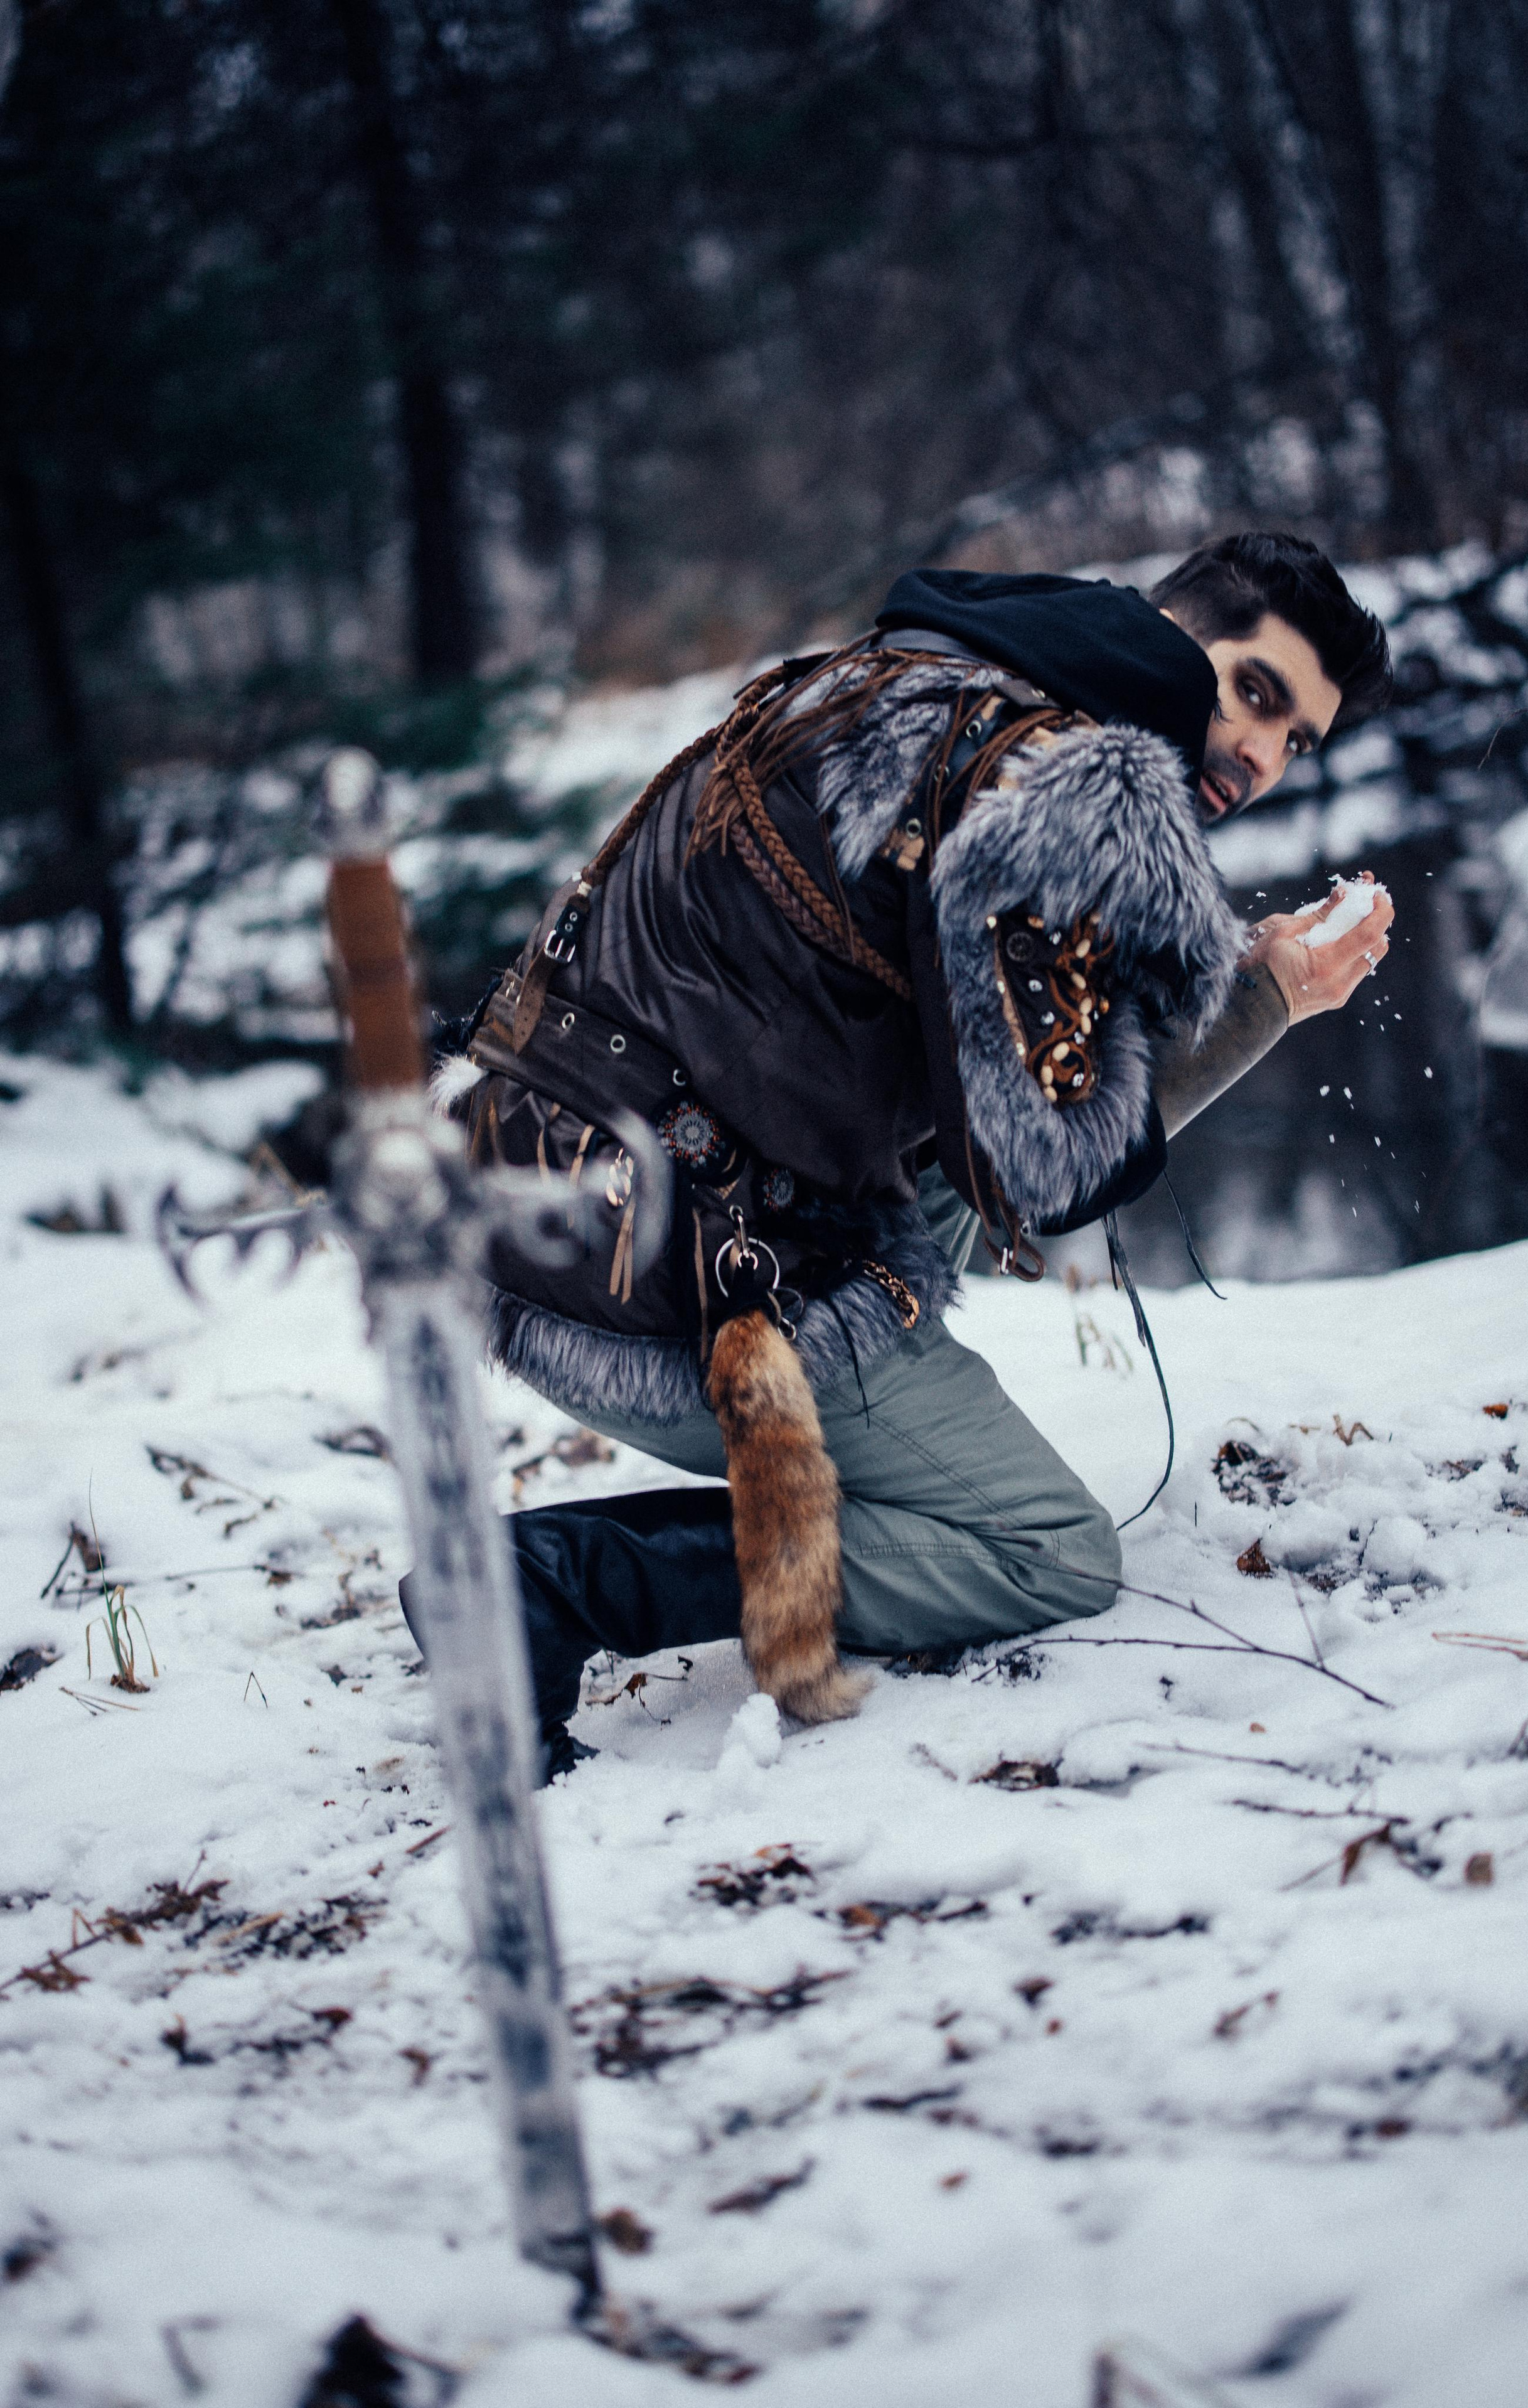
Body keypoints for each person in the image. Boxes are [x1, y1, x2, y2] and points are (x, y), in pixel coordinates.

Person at [415, 531, 1394, 1778]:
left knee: (933, 1171)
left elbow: (979, 1117)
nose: (1261, 756)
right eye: (1254, 691)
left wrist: (1223, 992)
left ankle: (858, 1431)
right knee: (1045, 1546)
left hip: (532, 1204)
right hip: (655, 1281)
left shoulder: (900, 669)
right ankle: (547, 1584)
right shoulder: (1070, 780)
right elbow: (1052, 1174)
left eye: (1296, 739)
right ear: (1170, 628)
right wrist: (1272, 1000)